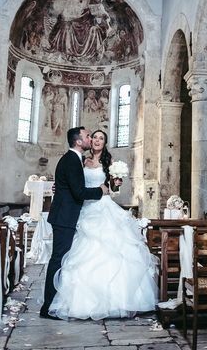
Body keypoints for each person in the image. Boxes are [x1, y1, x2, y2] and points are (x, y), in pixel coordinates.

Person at [48, 129, 158, 320]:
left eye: (100, 138)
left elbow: (112, 189)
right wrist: (60, 186)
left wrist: (116, 183)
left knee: (113, 251)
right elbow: (75, 185)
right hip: (83, 210)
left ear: (105, 143)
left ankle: (115, 301)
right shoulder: (81, 160)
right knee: (76, 253)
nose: (96, 140)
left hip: (103, 209)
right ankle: (74, 300)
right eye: (94, 137)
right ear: (87, 142)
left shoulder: (109, 163)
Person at [40, 127, 110, 320]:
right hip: (65, 217)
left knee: (62, 259)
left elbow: (70, 186)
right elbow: (79, 192)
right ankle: (48, 307)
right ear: (79, 142)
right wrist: (100, 191)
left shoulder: (73, 159)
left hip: (68, 215)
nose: (90, 139)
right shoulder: (72, 160)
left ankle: (54, 302)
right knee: (58, 259)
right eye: (88, 136)